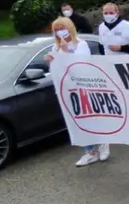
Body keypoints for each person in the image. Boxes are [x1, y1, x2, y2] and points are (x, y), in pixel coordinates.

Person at [43, 17, 97, 166]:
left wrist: (66, 51)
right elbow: (57, 70)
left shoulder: (81, 44)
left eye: (62, 28)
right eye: (57, 30)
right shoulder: (55, 48)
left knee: (91, 118)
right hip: (68, 89)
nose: (60, 32)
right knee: (78, 120)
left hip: (84, 87)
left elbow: (81, 64)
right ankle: (90, 151)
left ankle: (102, 143)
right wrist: (50, 60)